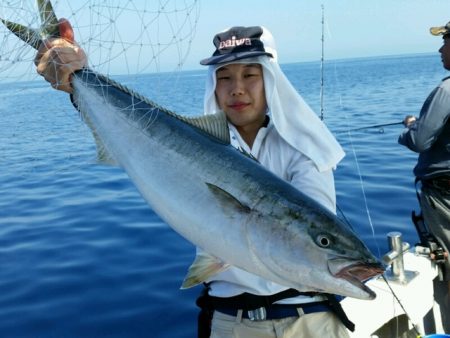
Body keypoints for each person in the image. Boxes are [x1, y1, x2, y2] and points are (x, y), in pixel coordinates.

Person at [35, 22, 350, 338]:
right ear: (213, 84)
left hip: (310, 319)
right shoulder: (195, 141)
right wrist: (77, 82)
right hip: (229, 321)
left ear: (271, 79)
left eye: (250, 75)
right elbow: (127, 134)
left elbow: (310, 230)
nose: (236, 88)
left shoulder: (306, 149)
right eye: (224, 77)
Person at [398, 21, 450, 312]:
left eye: (445, 40)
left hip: (444, 197)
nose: (440, 48)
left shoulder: (446, 91)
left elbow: (420, 141)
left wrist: (407, 129)